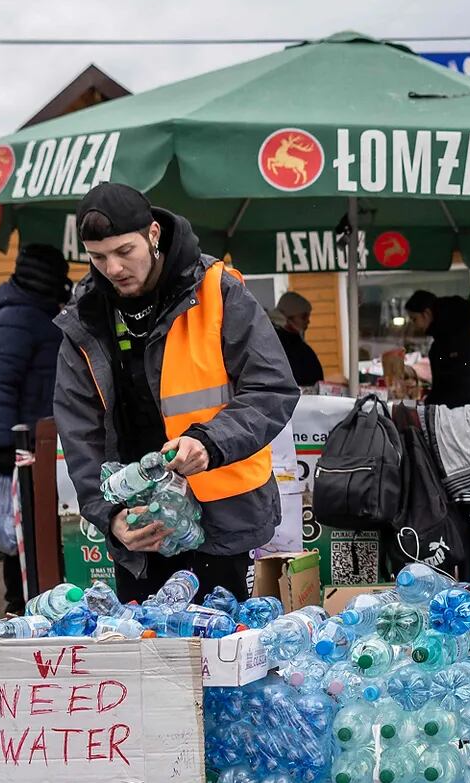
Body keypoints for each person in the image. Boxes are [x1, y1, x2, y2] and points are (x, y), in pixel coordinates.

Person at [53, 183, 300, 602]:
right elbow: (80, 432)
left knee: (222, 656)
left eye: (124, 251)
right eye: (98, 257)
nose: (113, 268)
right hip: (139, 530)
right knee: (147, 653)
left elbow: (272, 388)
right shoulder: (86, 318)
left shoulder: (218, 291)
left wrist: (210, 443)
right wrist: (109, 515)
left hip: (222, 516)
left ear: (153, 234)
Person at [0, 244, 71, 613]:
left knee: (39, 525)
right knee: (24, 529)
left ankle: (29, 599)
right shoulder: (15, 316)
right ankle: (18, 604)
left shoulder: (38, 311)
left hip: (43, 437)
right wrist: (3, 444)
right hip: (25, 442)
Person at [405, 289, 470, 408]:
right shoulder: (453, 337)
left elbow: (458, 388)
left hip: (469, 418)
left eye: (414, 319)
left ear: (426, 314)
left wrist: (430, 407)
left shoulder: (451, 342)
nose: (413, 325)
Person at [272, 290, 324, 389]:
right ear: (287, 317)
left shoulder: (296, 345)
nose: (308, 321)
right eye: (304, 317)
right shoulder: (278, 345)